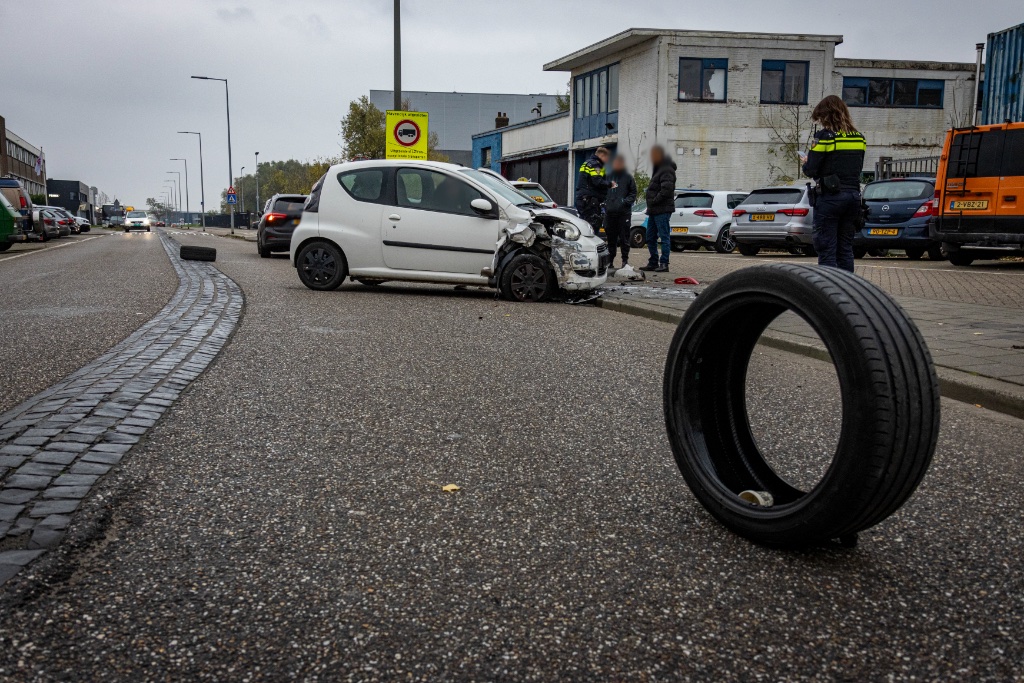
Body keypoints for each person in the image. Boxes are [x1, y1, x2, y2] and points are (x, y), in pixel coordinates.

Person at [801, 95, 867, 272]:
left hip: (830, 198)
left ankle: (829, 291)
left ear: (827, 116)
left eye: (821, 118)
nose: (821, 123)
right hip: (853, 197)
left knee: (826, 248)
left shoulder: (824, 137)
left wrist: (806, 162)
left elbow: (812, 169)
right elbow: (855, 166)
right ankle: (847, 288)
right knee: (845, 248)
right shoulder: (859, 138)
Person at [642, 145, 677, 272]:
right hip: (653, 210)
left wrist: (654, 201)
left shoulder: (666, 170)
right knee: (650, 237)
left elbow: (666, 190)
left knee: (664, 236)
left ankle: (664, 263)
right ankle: (653, 262)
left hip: (662, 209)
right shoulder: (658, 169)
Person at [603, 155, 637, 268]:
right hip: (610, 213)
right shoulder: (608, 176)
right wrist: (604, 204)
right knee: (611, 239)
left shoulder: (628, 177)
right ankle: (610, 262)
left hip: (623, 214)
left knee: (624, 238)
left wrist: (625, 202)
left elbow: (633, 193)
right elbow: (602, 191)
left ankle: (625, 261)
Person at [575, 147, 611, 231]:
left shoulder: (587, 163)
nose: (607, 161)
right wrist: (609, 184)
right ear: (602, 155)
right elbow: (597, 181)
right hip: (590, 201)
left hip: (583, 199)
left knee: (584, 225)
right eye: (607, 158)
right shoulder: (596, 164)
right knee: (592, 226)